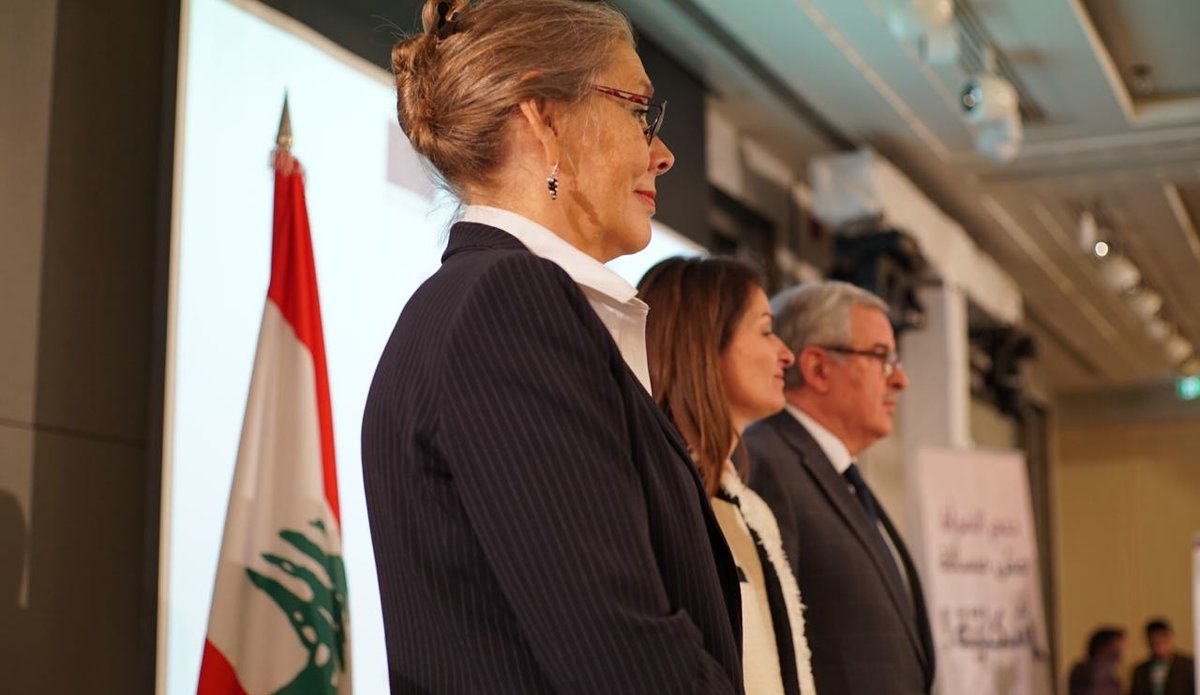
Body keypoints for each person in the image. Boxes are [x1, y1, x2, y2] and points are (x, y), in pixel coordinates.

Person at [361, 1, 744, 692]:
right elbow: (623, 657)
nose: (662, 153)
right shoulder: (508, 306)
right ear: (545, 118)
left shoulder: (476, 300)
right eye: (639, 111)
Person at [743, 280, 935, 695]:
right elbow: (769, 645)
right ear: (818, 368)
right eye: (882, 358)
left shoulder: (841, 475)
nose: (900, 380)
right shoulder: (766, 463)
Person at [639, 256, 818, 695]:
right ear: (702, 343)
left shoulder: (750, 509)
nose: (786, 354)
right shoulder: (655, 499)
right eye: (765, 330)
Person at [1130, 618, 1196, 695]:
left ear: (1170, 638)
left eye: (1163, 640)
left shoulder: (1188, 666)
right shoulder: (1140, 671)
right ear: (1148, 641)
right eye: (1155, 642)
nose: (1160, 646)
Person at [1068, 626, 1126, 695]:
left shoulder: (1114, 683)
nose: (1121, 655)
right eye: (1117, 649)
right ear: (1102, 648)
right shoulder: (1082, 672)